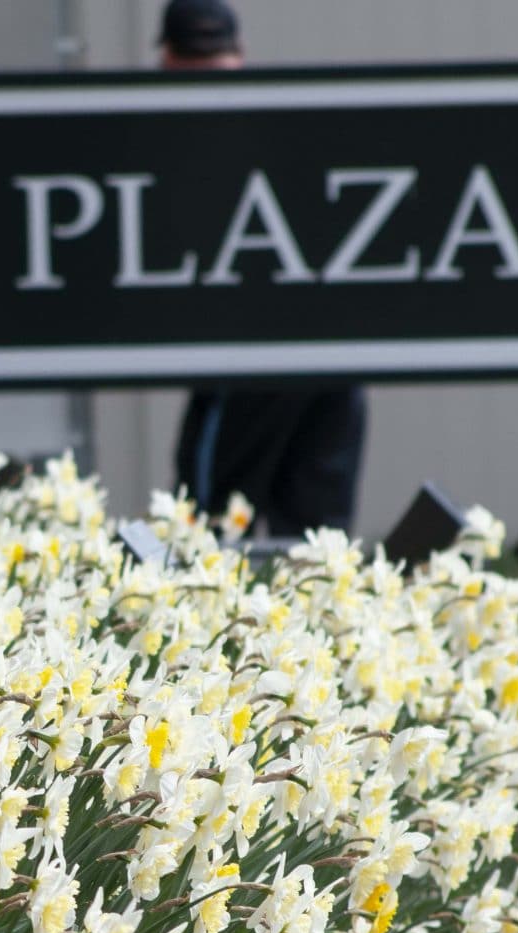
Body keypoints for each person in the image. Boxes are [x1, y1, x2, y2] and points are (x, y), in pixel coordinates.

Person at [159, 0, 369, 535]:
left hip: (327, 357)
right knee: (209, 532)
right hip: (234, 368)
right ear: (165, 63)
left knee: (317, 544)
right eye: (192, 69)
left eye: (218, 66)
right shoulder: (150, 148)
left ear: (243, 58)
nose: (206, 89)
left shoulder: (287, 128)